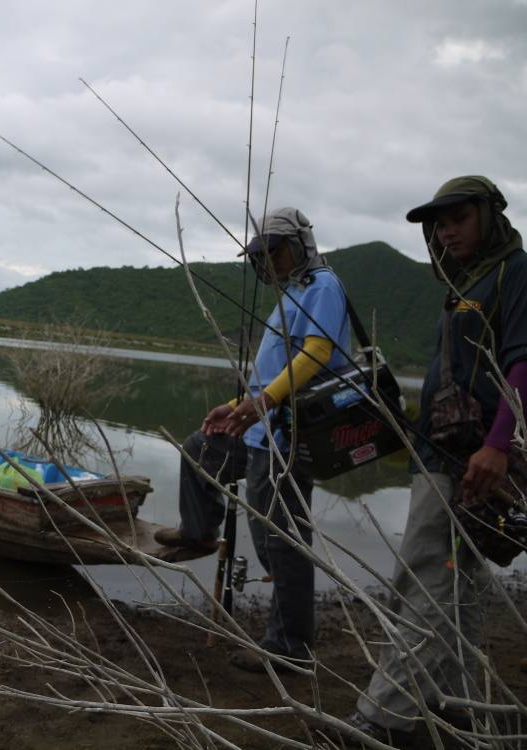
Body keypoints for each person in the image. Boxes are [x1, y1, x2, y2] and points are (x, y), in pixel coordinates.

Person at [348, 176, 527, 744]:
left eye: (459, 218)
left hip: (474, 457)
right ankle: (453, 703)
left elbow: (524, 363)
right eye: (438, 222)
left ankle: (386, 719)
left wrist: (499, 444)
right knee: (459, 583)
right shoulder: (463, 284)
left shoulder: (514, 272)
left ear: (490, 216)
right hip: (444, 452)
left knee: (423, 576)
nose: (446, 230)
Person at [154, 207, 351, 671]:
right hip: (260, 427)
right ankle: (199, 532)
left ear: (299, 245)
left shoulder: (322, 286)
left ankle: (291, 648)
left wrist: (263, 404)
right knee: (202, 448)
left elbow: (317, 354)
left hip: (285, 438)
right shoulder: (293, 293)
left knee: (279, 543)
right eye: (260, 254)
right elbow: (273, 369)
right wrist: (241, 402)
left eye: (274, 251)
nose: (268, 262)